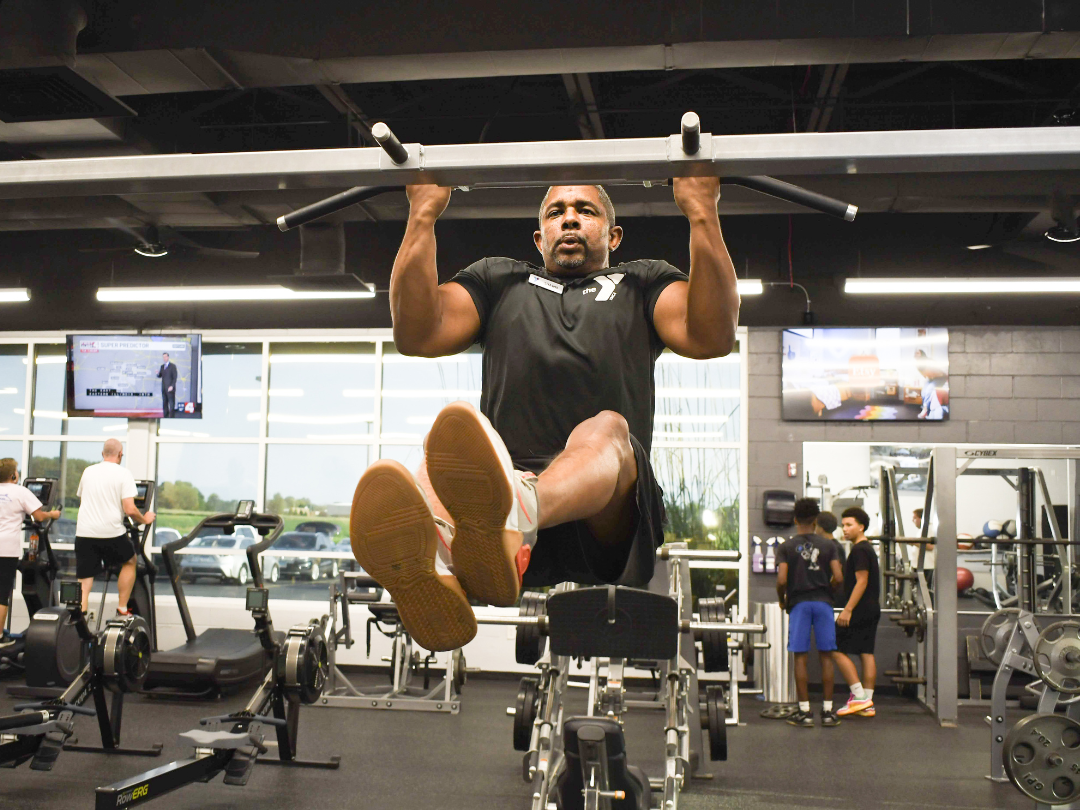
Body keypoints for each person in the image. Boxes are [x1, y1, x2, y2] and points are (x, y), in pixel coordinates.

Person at [349, 180, 740, 653]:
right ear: (540, 237)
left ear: (614, 236)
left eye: (585, 210)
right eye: (556, 212)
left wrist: (701, 212)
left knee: (607, 428)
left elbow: (712, 335)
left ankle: (517, 510)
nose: (570, 218)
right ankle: (441, 578)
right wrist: (423, 213)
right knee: (440, 451)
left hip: (608, 509)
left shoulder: (643, 282)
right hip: (503, 526)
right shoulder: (498, 279)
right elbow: (417, 333)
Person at [775, 497, 843, 728]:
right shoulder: (829, 545)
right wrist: (828, 591)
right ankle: (827, 711)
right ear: (816, 521)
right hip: (823, 603)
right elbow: (839, 577)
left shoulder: (786, 546)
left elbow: (782, 579)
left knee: (800, 657)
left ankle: (804, 712)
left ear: (795, 519)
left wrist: (782, 600)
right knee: (826, 656)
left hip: (800, 604)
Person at [74, 439, 155, 615]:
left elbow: (84, 500)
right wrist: (144, 520)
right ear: (120, 455)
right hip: (111, 533)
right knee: (130, 561)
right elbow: (130, 509)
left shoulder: (88, 471)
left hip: (84, 533)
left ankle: (78, 625)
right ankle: (122, 607)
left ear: (102, 454)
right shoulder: (123, 474)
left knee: (85, 580)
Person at [0, 458, 61, 644]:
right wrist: (53, 514)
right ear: (13, 475)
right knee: (2, 595)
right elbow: (39, 515)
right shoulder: (20, 491)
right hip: (6, 549)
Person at [834, 506, 882, 718]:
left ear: (861, 527)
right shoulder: (866, 548)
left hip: (860, 608)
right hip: (870, 607)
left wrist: (848, 610)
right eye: (843, 525)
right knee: (866, 652)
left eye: (849, 525)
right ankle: (867, 704)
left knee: (834, 647)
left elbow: (861, 582)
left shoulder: (860, 550)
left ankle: (860, 696)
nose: (844, 529)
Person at [816, 510, 847, 608]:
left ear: (820, 528)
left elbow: (837, 576)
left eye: (815, 525)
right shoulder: (831, 546)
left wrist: (826, 592)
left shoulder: (833, 547)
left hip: (833, 600)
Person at [157, 352, 177, 417]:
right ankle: (165, 416)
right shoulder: (162, 366)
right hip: (163, 388)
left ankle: (171, 417)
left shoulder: (173, 366)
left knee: (171, 403)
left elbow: (175, 377)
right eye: (163, 357)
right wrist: (158, 373)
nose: (164, 358)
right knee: (165, 403)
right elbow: (160, 375)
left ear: (168, 357)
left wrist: (172, 386)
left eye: (165, 357)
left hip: (170, 388)